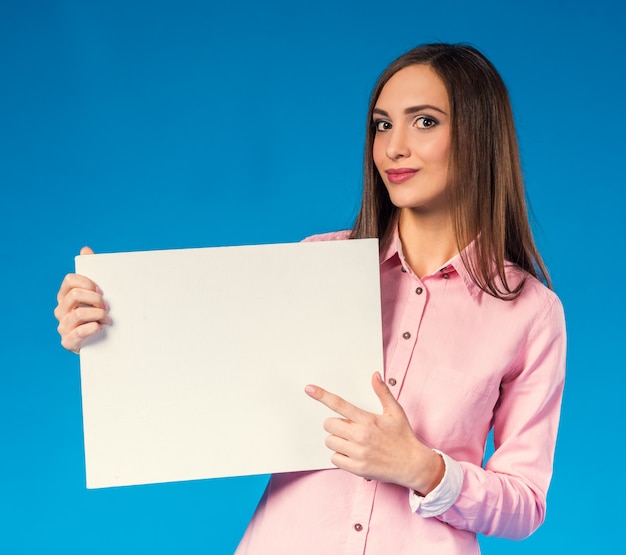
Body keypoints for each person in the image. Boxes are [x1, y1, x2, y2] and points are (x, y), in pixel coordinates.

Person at [54, 43, 566, 554]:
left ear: (479, 137)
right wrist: (109, 338)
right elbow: (208, 379)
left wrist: (424, 469)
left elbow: (525, 502)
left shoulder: (530, 312)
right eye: (382, 124)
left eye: (424, 122)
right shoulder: (317, 264)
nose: (393, 148)